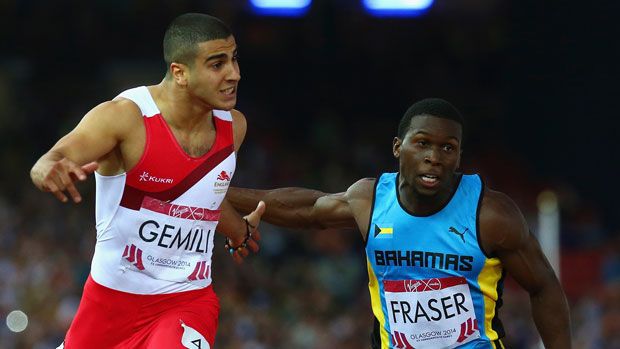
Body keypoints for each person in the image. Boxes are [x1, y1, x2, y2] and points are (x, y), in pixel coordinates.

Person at [227, 98, 572, 348]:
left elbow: (544, 286)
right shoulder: (371, 201)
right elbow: (307, 210)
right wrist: (215, 193)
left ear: (459, 157)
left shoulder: (491, 214)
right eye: (422, 143)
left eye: (447, 148)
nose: (433, 158)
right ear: (398, 147)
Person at [30, 13, 265, 349]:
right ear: (180, 72)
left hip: (187, 301)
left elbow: (199, 199)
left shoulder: (233, 127)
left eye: (234, 59)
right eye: (217, 64)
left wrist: (238, 230)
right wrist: (47, 169)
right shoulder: (125, 117)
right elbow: (51, 159)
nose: (234, 74)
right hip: (109, 305)